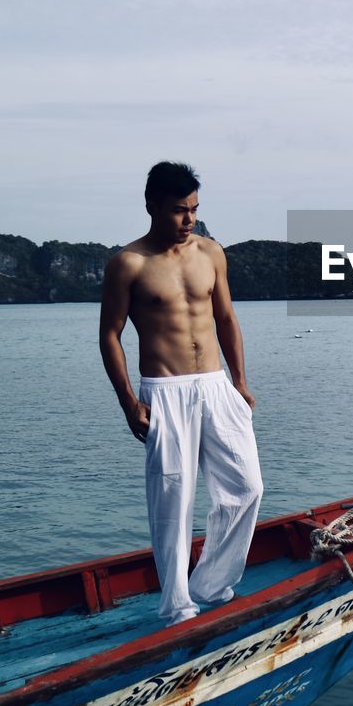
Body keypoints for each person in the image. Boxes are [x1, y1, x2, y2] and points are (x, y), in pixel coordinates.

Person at [99, 161, 263, 626]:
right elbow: (109, 335)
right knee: (173, 503)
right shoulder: (129, 264)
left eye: (193, 209)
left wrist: (240, 381)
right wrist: (129, 402)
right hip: (165, 392)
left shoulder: (210, 253)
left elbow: (227, 318)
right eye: (178, 211)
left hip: (216, 385)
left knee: (247, 488)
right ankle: (177, 606)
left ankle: (210, 584)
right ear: (151, 206)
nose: (188, 220)